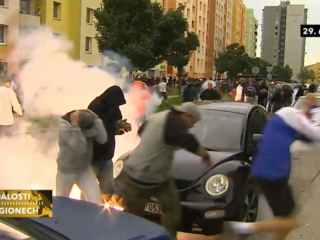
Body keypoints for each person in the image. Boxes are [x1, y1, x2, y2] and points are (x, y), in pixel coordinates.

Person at [222, 96, 320, 240]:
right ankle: (241, 228)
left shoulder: (286, 120)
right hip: (272, 173)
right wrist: (313, 115)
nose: (310, 117)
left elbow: (308, 140)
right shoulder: (292, 115)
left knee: (287, 220)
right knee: (290, 221)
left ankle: (245, 229)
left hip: (268, 171)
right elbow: (314, 133)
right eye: (311, 111)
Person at [120, 102, 213, 238]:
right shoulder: (174, 123)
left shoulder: (157, 116)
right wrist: (205, 155)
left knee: (173, 207)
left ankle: (167, 236)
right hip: (139, 178)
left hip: (160, 177)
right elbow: (188, 141)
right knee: (133, 217)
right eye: (192, 122)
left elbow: (141, 132)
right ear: (185, 115)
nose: (191, 126)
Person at [88, 86, 132, 202]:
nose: (116, 108)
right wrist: (114, 127)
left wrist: (122, 128)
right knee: (88, 190)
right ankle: (81, 213)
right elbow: (97, 130)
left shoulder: (114, 108)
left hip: (106, 156)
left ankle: (98, 214)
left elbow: (112, 129)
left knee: (108, 189)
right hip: (92, 158)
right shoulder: (95, 107)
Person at [56, 109, 107, 205]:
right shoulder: (64, 127)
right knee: (61, 202)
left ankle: (92, 219)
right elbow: (80, 148)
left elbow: (102, 139)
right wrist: (75, 127)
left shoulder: (89, 122)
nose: (90, 133)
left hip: (84, 170)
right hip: (66, 172)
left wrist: (97, 119)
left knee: (96, 201)